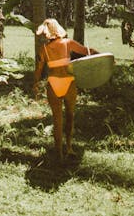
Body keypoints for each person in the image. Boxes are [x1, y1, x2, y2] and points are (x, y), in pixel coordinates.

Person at [32, 18, 97, 161]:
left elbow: (38, 70)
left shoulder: (43, 50)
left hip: (54, 83)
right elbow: (88, 51)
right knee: (70, 116)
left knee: (57, 120)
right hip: (69, 82)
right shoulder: (68, 43)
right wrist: (103, 59)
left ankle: (59, 153)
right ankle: (69, 147)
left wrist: (35, 84)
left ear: (47, 33)